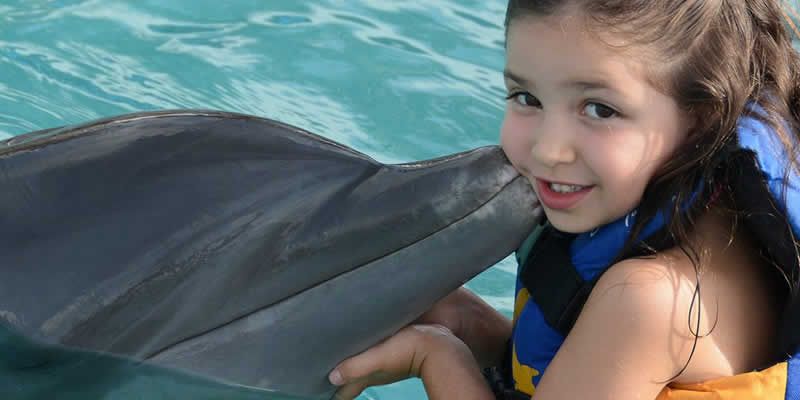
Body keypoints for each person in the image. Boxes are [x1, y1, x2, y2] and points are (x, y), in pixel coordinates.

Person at [328, 1, 800, 399]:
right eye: (526, 97)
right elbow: (583, 365)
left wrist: (435, 356)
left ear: (701, 118)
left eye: (599, 109)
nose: (548, 150)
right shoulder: (683, 210)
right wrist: (466, 323)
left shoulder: (650, 298)